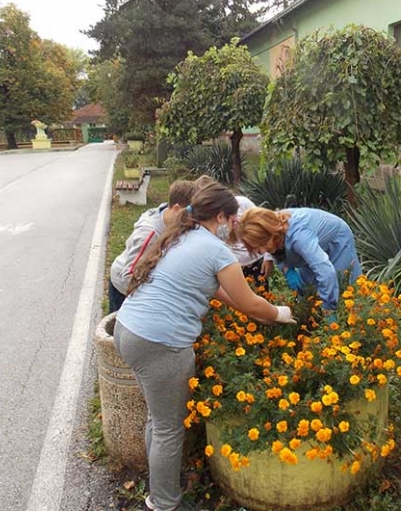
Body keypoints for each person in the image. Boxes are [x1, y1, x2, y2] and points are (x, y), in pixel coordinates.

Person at [113, 180, 295, 511]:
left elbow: (221, 293)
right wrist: (279, 313)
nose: (235, 226)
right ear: (222, 218)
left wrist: (257, 311)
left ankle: (162, 483)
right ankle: (164, 503)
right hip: (160, 344)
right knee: (168, 427)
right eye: (234, 220)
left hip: (129, 330)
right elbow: (251, 302)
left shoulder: (182, 236)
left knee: (158, 420)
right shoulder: (215, 250)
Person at [237, 206, 361, 314]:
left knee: (344, 288)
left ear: (272, 233)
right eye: (256, 248)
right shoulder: (271, 223)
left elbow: (326, 271)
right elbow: (277, 248)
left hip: (336, 241)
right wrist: (287, 269)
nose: (262, 251)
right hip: (310, 243)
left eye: (262, 245)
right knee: (307, 292)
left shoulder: (300, 238)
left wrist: (328, 309)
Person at [108, 179, 195, 313]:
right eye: (191, 217)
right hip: (123, 290)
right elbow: (128, 277)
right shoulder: (149, 235)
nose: (192, 223)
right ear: (177, 209)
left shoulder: (168, 215)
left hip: (144, 278)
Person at [193, 176, 274, 288]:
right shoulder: (205, 224)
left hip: (255, 263)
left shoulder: (243, 203)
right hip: (230, 266)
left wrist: (268, 257)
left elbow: (265, 227)